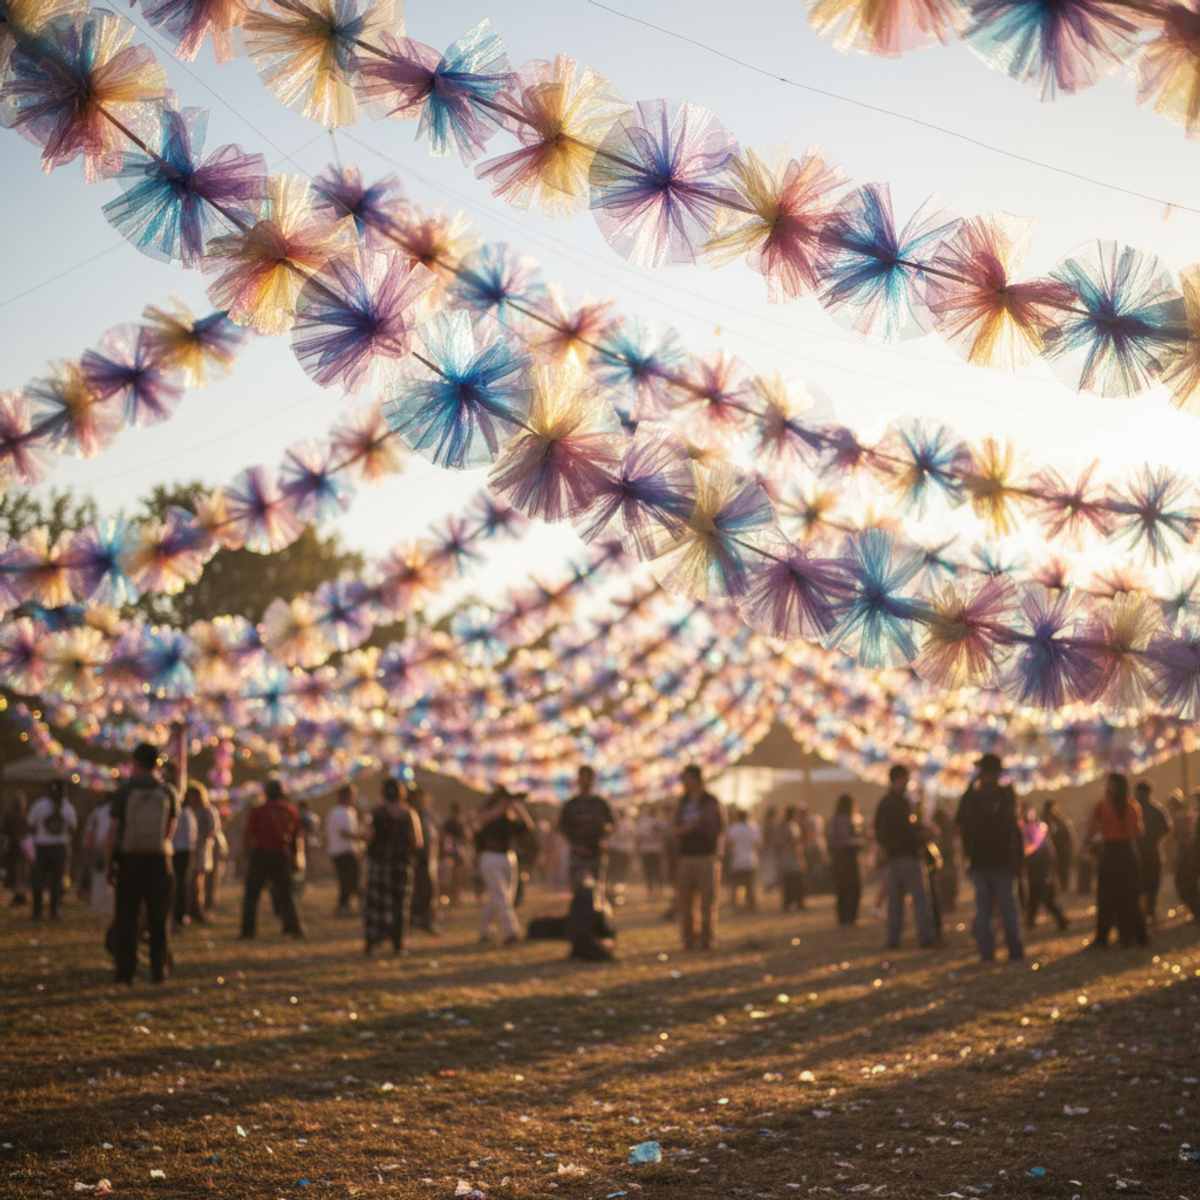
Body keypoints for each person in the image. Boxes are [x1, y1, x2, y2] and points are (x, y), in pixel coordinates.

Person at [104, 744, 179, 984]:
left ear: (135, 761)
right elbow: (169, 832)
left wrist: (108, 864)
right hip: (159, 861)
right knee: (159, 917)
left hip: (130, 860)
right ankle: (159, 969)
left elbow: (113, 831)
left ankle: (126, 971)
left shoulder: (125, 791)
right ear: (157, 763)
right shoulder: (168, 792)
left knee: (127, 918)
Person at [955, 754, 1024, 963]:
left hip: (979, 860)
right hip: (1002, 859)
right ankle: (1015, 952)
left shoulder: (971, 798)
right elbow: (1014, 828)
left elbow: (959, 824)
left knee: (983, 909)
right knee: (1007, 906)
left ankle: (987, 954)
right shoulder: (1006, 796)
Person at [874, 765, 935, 950]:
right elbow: (909, 830)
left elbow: (878, 829)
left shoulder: (885, 803)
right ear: (899, 779)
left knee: (895, 901)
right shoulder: (903, 803)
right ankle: (924, 936)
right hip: (908, 855)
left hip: (893, 857)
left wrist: (886, 847)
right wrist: (920, 837)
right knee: (919, 899)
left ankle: (894, 938)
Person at [1087, 772, 1148, 948]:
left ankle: (1102, 938)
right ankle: (1135, 935)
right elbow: (1139, 831)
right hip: (1128, 852)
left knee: (1107, 896)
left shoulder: (1103, 805)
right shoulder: (1132, 805)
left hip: (1111, 852)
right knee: (1130, 895)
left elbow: (1091, 829)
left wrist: (1092, 844)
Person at [363, 778, 422, 954]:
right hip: (401, 865)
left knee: (376, 904)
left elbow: (369, 837)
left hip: (380, 863)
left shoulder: (377, 813)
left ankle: (372, 942)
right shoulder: (409, 814)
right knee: (400, 904)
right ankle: (398, 944)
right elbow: (418, 842)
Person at [239, 779, 304, 940]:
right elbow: (297, 836)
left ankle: (248, 931)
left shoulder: (258, 810)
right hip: (282, 856)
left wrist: (249, 854)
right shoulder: (290, 810)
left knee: (252, 896)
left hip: (261, 855)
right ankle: (293, 928)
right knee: (287, 895)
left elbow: (249, 836)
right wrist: (295, 858)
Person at [674, 765, 727, 951]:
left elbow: (717, 827)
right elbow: (676, 825)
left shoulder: (710, 801)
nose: (684, 782)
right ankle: (689, 938)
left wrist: (691, 829)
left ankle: (707, 938)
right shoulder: (682, 802)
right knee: (686, 902)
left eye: (686, 778)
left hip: (706, 856)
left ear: (696, 779)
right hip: (686, 856)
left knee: (708, 901)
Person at [475, 786, 534, 944]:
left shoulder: (510, 815)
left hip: (508, 856)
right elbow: (480, 823)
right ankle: (512, 931)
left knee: (503, 896)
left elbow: (528, 827)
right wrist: (502, 805)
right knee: (501, 895)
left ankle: (484, 930)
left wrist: (518, 806)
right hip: (490, 856)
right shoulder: (489, 809)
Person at [558, 766, 615, 891]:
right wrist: (573, 842)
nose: (585, 781)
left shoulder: (600, 803)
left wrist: (604, 834)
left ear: (593, 780)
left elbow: (612, 824)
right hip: (576, 851)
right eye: (582, 778)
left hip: (596, 851)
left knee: (597, 887)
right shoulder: (571, 804)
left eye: (588, 778)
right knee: (577, 887)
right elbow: (561, 826)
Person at [28, 780, 77, 920]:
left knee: (39, 878)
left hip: (43, 846)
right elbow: (73, 828)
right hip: (58, 847)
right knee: (55, 879)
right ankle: (52, 912)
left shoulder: (39, 804)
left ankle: (37, 912)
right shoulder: (67, 807)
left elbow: (31, 824)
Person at [1022, 805, 1068, 931]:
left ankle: (1060, 921)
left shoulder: (1036, 829)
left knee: (1042, 896)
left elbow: (1046, 850)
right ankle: (1031, 922)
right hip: (1036, 867)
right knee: (1036, 896)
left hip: (1040, 867)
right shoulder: (1032, 828)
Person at [1135, 780, 1172, 924]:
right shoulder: (1157, 809)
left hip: (1136, 853)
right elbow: (1167, 829)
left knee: (1140, 885)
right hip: (1153, 852)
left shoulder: (1130, 808)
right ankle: (1150, 913)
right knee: (1152, 885)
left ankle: (1142, 914)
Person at [828, 794, 867, 926]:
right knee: (852, 887)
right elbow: (845, 841)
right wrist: (861, 841)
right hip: (847, 857)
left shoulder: (836, 820)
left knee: (843, 889)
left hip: (840, 858)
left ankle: (845, 917)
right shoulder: (845, 819)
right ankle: (849, 917)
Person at [326, 783, 363, 917]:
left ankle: (348, 907)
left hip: (349, 851)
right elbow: (343, 832)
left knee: (351, 881)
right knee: (347, 881)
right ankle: (344, 908)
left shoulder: (350, 811)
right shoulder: (338, 812)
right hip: (342, 852)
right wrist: (361, 836)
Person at [409, 787, 439, 933]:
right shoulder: (413, 816)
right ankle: (418, 918)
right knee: (421, 890)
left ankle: (424, 919)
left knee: (429, 890)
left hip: (430, 858)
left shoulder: (428, 817)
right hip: (420, 859)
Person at [81, 793, 116, 916]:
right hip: (108, 848)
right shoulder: (101, 811)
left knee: (99, 875)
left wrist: (91, 847)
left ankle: (100, 904)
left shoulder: (99, 811)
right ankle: (104, 904)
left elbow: (90, 832)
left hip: (101, 847)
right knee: (103, 875)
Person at [170, 786, 198, 928]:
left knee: (177, 884)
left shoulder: (173, 810)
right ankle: (179, 914)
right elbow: (191, 835)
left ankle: (177, 914)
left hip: (173, 850)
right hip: (183, 852)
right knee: (182, 884)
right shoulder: (186, 812)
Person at [188, 783, 216, 924]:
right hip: (190, 848)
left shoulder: (206, 811)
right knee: (191, 881)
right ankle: (192, 909)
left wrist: (199, 843)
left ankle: (198, 909)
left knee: (198, 881)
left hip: (202, 849)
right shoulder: (189, 810)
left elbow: (211, 830)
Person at [725, 808, 761, 912]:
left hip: (736, 860)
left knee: (735, 886)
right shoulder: (752, 828)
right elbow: (758, 844)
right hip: (750, 860)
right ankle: (752, 906)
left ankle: (737, 906)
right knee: (750, 886)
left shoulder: (733, 828)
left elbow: (729, 844)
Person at [438, 802, 470, 907]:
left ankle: (456, 897)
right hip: (452, 852)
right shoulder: (449, 823)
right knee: (451, 876)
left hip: (458, 852)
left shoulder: (459, 823)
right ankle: (450, 897)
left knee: (458, 876)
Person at [1042, 799, 1076, 894]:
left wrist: (1071, 848)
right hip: (1049, 852)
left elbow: (1069, 835)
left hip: (1063, 850)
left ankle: (1064, 889)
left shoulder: (1061, 820)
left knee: (1063, 871)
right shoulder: (1043, 821)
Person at [776, 806, 806, 912]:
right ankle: (789, 903)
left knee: (798, 880)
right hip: (788, 857)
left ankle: (799, 902)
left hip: (796, 856)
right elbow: (781, 841)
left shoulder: (795, 825)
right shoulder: (784, 826)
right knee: (790, 881)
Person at [3, 792, 29, 906]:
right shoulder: (10, 818)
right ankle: (18, 894)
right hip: (13, 849)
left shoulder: (25, 819)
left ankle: (20, 894)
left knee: (21, 872)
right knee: (15, 873)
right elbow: (5, 832)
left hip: (22, 849)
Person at [637, 804, 665, 896]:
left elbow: (639, 836)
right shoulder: (659, 822)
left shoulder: (645, 822)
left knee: (651, 871)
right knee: (655, 871)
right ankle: (655, 889)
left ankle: (654, 889)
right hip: (654, 850)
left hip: (649, 850)